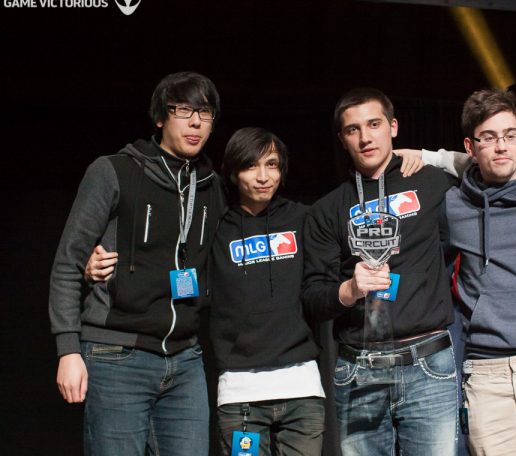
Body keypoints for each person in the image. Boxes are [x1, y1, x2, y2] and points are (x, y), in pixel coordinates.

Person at [49, 71, 226, 455]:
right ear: (160, 117)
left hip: (185, 359)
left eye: (205, 113)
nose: (196, 122)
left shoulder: (212, 185)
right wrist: (68, 350)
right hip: (116, 355)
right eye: (184, 110)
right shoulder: (114, 171)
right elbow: (67, 263)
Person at [395, 89, 516, 455]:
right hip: (485, 371)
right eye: (489, 138)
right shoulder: (453, 204)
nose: (501, 147)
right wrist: (425, 156)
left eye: (510, 136)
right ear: (470, 146)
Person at [301, 88, 458, 456]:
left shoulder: (432, 181)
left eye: (374, 124)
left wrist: (428, 156)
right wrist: (349, 290)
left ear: (394, 127)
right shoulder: (327, 210)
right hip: (360, 367)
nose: (365, 137)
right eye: (352, 129)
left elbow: (490, 161)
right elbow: (312, 298)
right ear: (342, 139)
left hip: (428, 361)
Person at [210, 127, 326, 456]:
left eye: (272, 165)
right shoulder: (216, 228)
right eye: (251, 166)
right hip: (240, 395)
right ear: (233, 173)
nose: (263, 177)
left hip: (302, 390)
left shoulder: (304, 218)